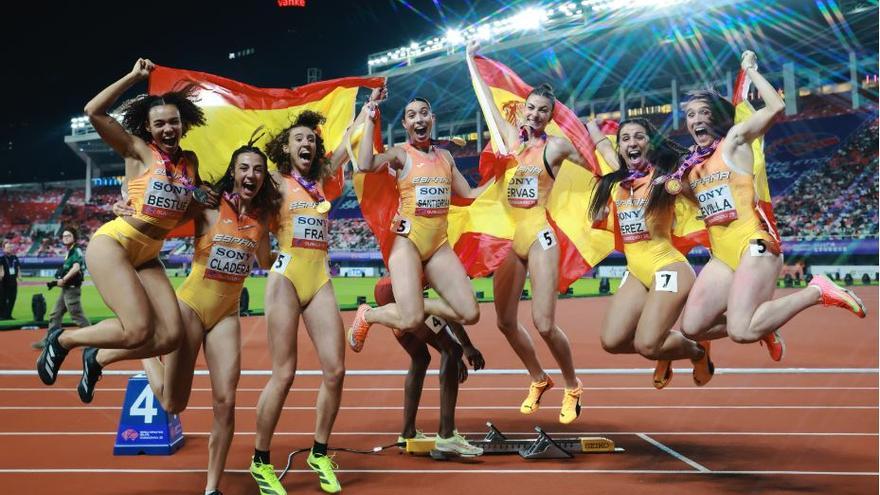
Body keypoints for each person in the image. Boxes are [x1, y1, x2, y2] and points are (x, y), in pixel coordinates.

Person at [36, 58, 216, 404]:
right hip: (114, 244)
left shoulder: (189, 162)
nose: (168, 129)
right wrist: (134, 78)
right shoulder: (137, 149)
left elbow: (173, 215)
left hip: (148, 253)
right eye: (159, 123)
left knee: (170, 337)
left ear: (183, 124)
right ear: (148, 128)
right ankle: (62, 340)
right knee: (136, 329)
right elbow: (93, 111)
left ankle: (98, 358)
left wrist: (200, 201)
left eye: (173, 122)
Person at [667, 51, 866, 350]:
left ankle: (817, 291)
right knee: (692, 327)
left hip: (755, 244)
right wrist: (679, 189)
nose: (695, 120)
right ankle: (765, 322)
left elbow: (776, 106)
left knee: (741, 331)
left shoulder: (734, 141)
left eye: (703, 113)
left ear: (717, 118)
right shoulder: (692, 165)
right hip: (723, 255)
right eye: (690, 115)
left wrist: (751, 70)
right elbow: (706, 205)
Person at [133, 135, 277, 495]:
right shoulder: (210, 207)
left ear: (263, 179)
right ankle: (150, 355)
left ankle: (212, 488)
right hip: (191, 307)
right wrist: (132, 206)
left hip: (227, 314)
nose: (251, 174)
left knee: (226, 401)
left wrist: (303, 257)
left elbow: (265, 261)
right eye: (244, 167)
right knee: (171, 403)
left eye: (258, 170)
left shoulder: (261, 221)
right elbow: (165, 217)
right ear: (234, 172)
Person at [467, 40, 589, 423]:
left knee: (544, 323)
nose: (536, 115)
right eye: (532, 108)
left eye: (544, 111)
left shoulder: (556, 147)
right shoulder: (506, 138)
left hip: (540, 236)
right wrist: (469, 59)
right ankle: (539, 379)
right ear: (523, 110)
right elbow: (486, 101)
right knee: (504, 322)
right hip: (511, 240)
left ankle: (572, 385)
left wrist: (597, 146)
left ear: (551, 116)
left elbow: (593, 166)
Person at [249, 109, 359, 495]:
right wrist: (265, 257)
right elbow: (256, 222)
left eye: (311, 139)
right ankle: (260, 461)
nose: (306, 144)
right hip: (286, 277)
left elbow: (349, 142)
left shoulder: (322, 182)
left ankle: (320, 452)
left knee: (336, 371)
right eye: (298, 139)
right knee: (284, 374)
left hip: (320, 277)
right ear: (286, 146)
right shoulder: (276, 182)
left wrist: (369, 106)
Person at [347, 94, 487, 353]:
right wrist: (368, 116)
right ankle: (368, 315)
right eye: (412, 115)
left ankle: (411, 305)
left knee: (470, 313)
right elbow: (365, 164)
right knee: (409, 319)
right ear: (405, 124)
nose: (418, 119)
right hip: (408, 243)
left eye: (424, 113)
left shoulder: (446, 157)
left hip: (438, 245)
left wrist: (502, 181)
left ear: (432, 119)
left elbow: (468, 194)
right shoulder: (401, 155)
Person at [585, 118, 712, 388]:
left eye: (639, 137)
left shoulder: (664, 176)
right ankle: (665, 347)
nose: (632, 143)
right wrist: (589, 123)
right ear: (620, 147)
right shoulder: (617, 179)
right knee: (612, 341)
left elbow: (697, 196)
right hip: (637, 271)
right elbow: (600, 146)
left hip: (668, 268)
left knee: (647, 344)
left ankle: (697, 351)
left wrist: (682, 186)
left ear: (650, 143)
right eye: (626, 138)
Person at [373, 276, 484, 457]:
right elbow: (448, 310)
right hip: (398, 293)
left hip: (389, 289)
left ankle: (407, 432)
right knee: (452, 349)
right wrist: (466, 346)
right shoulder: (450, 265)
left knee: (420, 357)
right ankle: (446, 436)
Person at [32, 229, 91, 349]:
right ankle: (49, 341)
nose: (66, 238)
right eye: (64, 236)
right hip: (66, 288)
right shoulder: (70, 251)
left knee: (76, 315)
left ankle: (92, 340)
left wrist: (64, 279)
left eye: (68, 235)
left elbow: (76, 267)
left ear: (74, 237)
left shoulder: (76, 250)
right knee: (55, 314)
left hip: (72, 289)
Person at [0, 241, 22, 319]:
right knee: (3, 299)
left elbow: (18, 267)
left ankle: (8, 315)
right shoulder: (1, 258)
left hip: (13, 281)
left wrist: (19, 275)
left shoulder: (15, 257)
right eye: (7, 247)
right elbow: (1, 268)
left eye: (10, 247)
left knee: (12, 299)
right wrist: (1, 275)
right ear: (3, 249)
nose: (9, 249)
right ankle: (2, 315)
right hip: (4, 282)